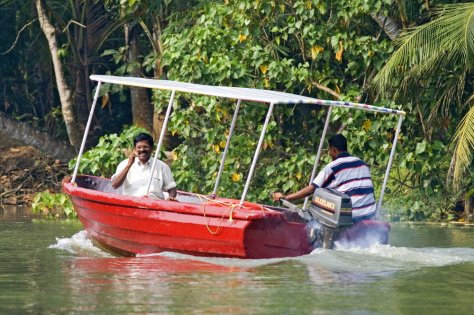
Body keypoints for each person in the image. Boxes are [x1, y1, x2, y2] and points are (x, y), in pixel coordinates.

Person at [272, 134, 376, 222]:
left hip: (352, 217)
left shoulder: (332, 167)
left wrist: (286, 197)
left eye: (328, 150)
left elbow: (311, 189)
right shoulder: (362, 164)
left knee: (320, 196)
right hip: (370, 214)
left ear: (334, 149)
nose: (328, 153)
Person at [111, 132, 177, 201]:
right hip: (131, 204)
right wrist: (129, 165)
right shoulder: (125, 164)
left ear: (152, 149)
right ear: (134, 149)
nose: (142, 150)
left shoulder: (162, 166)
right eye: (139, 147)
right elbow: (114, 185)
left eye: (145, 147)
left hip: (155, 206)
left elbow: (172, 189)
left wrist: (170, 198)